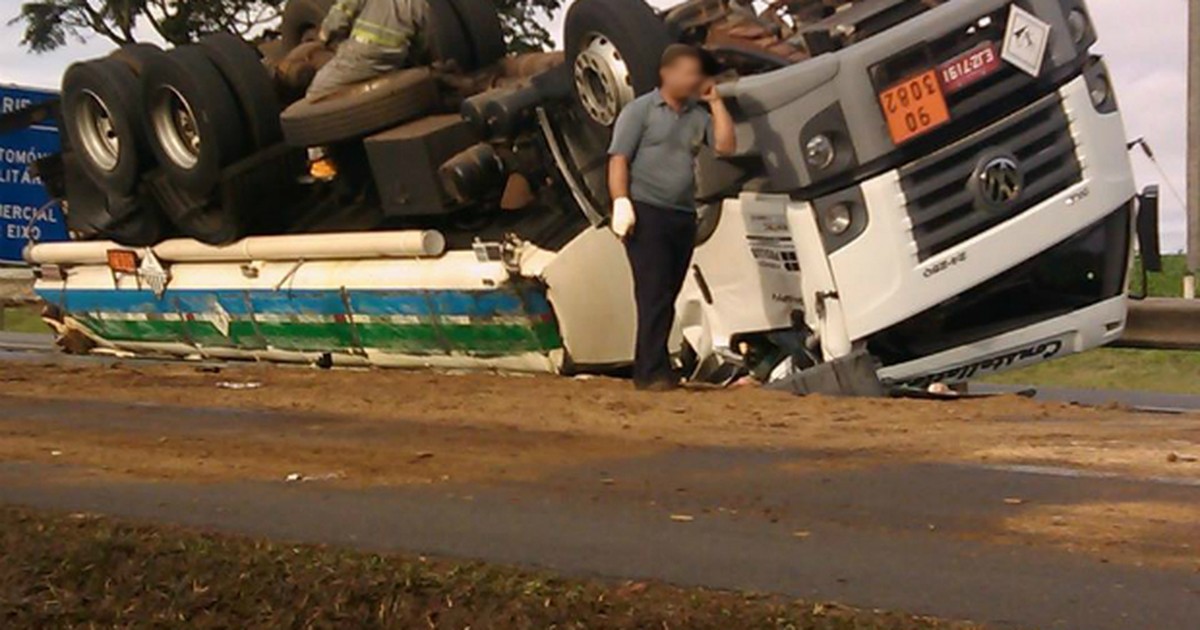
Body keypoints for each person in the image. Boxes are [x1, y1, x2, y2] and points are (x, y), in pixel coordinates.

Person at [607, 44, 737, 391]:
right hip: (646, 210)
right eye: (691, 72)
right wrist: (621, 202)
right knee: (652, 292)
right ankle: (649, 371)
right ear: (668, 73)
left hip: (681, 213)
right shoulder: (640, 111)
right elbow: (619, 158)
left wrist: (715, 102)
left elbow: (725, 146)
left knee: (669, 290)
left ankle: (658, 365)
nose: (696, 79)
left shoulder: (697, 116)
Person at [306, 0, 430, 100]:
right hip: (395, 57)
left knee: (317, 94)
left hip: (363, 51)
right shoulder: (422, 3)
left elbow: (342, 13)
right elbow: (421, 42)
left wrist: (323, 36)